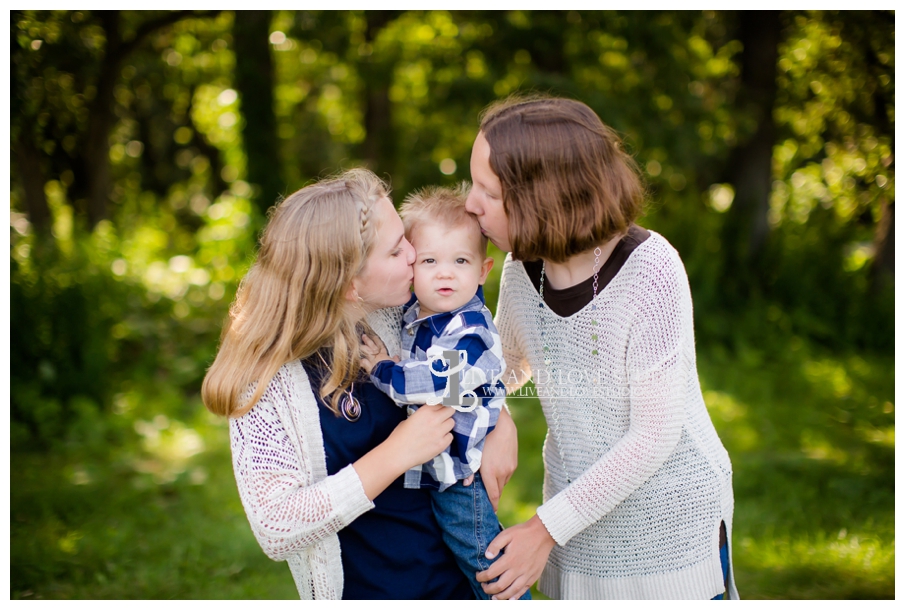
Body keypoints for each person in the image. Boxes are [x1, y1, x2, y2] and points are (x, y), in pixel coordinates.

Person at [463, 96, 739, 600]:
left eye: (488, 191)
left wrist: (542, 530)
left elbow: (654, 435)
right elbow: (499, 369)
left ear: (542, 197)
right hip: (577, 524)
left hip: (668, 533)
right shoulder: (524, 267)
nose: (470, 204)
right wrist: (499, 415)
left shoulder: (650, 269)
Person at [201, 169, 519, 600]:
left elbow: (470, 358)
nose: (414, 254)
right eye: (396, 250)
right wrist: (395, 454)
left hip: (458, 579)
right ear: (349, 284)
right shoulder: (268, 384)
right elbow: (276, 525)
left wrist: (502, 419)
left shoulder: (396, 313)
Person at [358, 185, 529, 600]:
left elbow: (435, 387)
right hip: (433, 467)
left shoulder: (468, 331)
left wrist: (383, 368)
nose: (445, 273)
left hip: (459, 474)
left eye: (460, 261)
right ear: (411, 264)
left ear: (483, 270)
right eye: (430, 260)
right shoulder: (418, 313)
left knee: (481, 557)